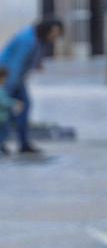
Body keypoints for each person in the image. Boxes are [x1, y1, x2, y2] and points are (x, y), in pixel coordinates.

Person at [0, 16, 63, 155]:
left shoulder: (36, 38)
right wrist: (8, 90)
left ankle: (22, 143)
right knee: (7, 110)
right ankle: (10, 143)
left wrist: (36, 64)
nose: (55, 37)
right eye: (55, 33)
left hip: (13, 79)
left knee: (21, 108)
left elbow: (30, 58)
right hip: (7, 79)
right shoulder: (28, 40)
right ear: (47, 29)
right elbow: (15, 65)